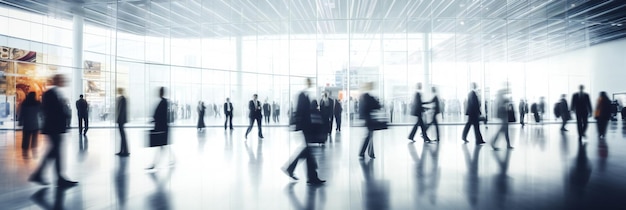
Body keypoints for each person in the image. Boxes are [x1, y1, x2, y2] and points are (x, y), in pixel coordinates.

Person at [29, 74, 78, 187]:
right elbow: (51, 111)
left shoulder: (54, 93)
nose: (65, 81)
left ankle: (44, 175)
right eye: (62, 79)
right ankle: (56, 177)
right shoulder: (50, 93)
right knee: (55, 152)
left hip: (55, 127)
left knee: (54, 152)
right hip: (53, 127)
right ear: (56, 80)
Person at [282, 78, 325, 185]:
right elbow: (300, 112)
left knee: (307, 151)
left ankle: (304, 174)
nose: (311, 84)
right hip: (305, 127)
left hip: (306, 127)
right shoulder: (302, 95)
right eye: (310, 82)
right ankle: (308, 175)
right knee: (307, 151)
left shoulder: (305, 95)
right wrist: (299, 127)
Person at [147, 87, 173, 169]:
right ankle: (171, 160)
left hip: (162, 128)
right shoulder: (163, 102)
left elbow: (161, 116)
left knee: (161, 146)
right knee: (162, 146)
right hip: (162, 128)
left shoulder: (163, 102)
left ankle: (154, 164)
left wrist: (154, 120)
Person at [359, 82, 383, 158]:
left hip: (366, 119)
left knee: (369, 135)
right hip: (369, 119)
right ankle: (365, 152)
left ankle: (368, 153)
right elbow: (377, 106)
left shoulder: (362, 97)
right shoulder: (368, 97)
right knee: (369, 135)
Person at [115, 88, 129, 156]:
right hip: (121, 120)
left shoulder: (123, 98)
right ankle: (122, 151)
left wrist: (119, 119)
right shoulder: (121, 98)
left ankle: (125, 151)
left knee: (122, 136)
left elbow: (121, 111)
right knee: (122, 136)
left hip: (121, 120)